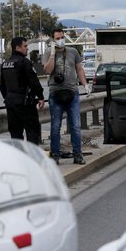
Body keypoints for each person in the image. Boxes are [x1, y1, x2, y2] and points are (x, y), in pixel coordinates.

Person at [42, 28, 91, 165]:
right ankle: (55, 155)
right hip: (55, 93)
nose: (60, 40)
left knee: (75, 126)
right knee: (55, 126)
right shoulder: (47, 53)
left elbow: (79, 69)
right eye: (57, 38)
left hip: (72, 92)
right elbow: (47, 70)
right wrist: (52, 53)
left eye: (62, 37)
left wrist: (85, 84)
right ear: (52, 40)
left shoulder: (73, 52)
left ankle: (78, 154)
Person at [0, 36, 45, 144]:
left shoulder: (5, 64)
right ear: (18, 48)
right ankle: (31, 158)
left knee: (15, 134)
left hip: (10, 103)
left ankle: (19, 158)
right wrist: (41, 97)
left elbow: (2, 86)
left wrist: (8, 98)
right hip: (25, 103)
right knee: (32, 131)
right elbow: (34, 82)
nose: (27, 48)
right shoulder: (25, 63)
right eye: (25, 46)